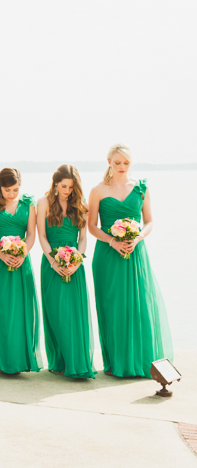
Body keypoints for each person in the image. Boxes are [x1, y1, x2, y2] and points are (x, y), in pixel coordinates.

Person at [88, 143, 172, 378]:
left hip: (136, 253)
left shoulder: (140, 188)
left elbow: (149, 221)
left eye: (126, 163)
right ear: (109, 163)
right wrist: (112, 242)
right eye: (117, 163)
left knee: (140, 305)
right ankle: (118, 363)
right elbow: (91, 226)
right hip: (107, 255)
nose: (122, 167)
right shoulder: (98, 190)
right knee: (113, 307)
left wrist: (137, 239)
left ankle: (142, 361)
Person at [0, 168, 41, 374]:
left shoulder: (28, 205)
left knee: (22, 310)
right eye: (7, 190)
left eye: (15, 189)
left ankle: (21, 360)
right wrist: (1, 254)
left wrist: (22, 254)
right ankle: (4, 361)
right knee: (1, 310)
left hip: (22, 262)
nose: (12, 194)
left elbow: (31, 234)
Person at [37, 165, 95, 379]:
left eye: (71, 187)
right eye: (63, 186)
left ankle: (76, 362)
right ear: (55, 184)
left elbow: (82, 239)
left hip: (75, 264)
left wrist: (76, 262)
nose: (67, 190)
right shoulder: (43, 203)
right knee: (56, 313)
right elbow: (42, 236)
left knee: (74, 314)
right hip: (51, 263)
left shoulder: (81, 204)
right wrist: (53, 262)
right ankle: (58, 360)